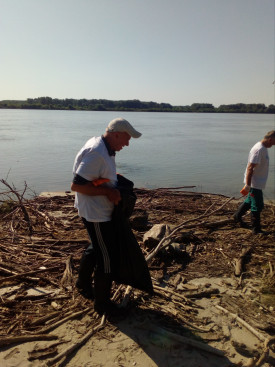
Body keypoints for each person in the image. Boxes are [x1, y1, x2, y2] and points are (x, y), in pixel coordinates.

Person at [71, 117, 143, 315]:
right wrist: (108, 192)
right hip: (96, 213)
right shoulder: (97, 152)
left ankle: (83, 284)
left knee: (96, 247)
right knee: (107, 256)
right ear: (116, 134)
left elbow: (93, 176)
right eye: (126, 139)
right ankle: (102, 304)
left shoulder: (105, 147)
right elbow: (76, 185)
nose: (127, 144)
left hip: (98, 210)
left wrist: (113, 180)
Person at [234, 130, 275, 234]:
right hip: (254, 184)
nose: (274, 144)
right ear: (270, 139)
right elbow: (250, 168)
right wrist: (248, 185)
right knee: (257, 205)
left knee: (249, 201)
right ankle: (256, 230)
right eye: (274, 142)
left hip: (257, 183)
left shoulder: (264, 148)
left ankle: (237, 216)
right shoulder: (258, 149)